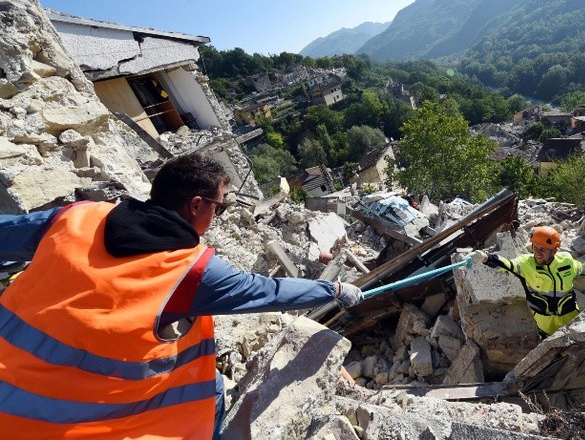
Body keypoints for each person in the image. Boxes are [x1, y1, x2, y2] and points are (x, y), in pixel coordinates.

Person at [0, 154, 363, 439]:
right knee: (209, 389)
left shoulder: (79, 217)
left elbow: (6, 234)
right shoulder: (190, 273)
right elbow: (267, 290)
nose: (217, 216)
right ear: (195, 205)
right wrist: (333, 289)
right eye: (218, 208)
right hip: (54, 423)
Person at [459, 226, 585, 339]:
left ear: (554, 250)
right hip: (545, 328)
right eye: (535, 247)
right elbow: (507, 265)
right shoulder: (526, 264)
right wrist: (484, 257)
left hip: (573, 320)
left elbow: (582, 269)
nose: (537, 253)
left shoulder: (565, 261)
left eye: (543, 249)